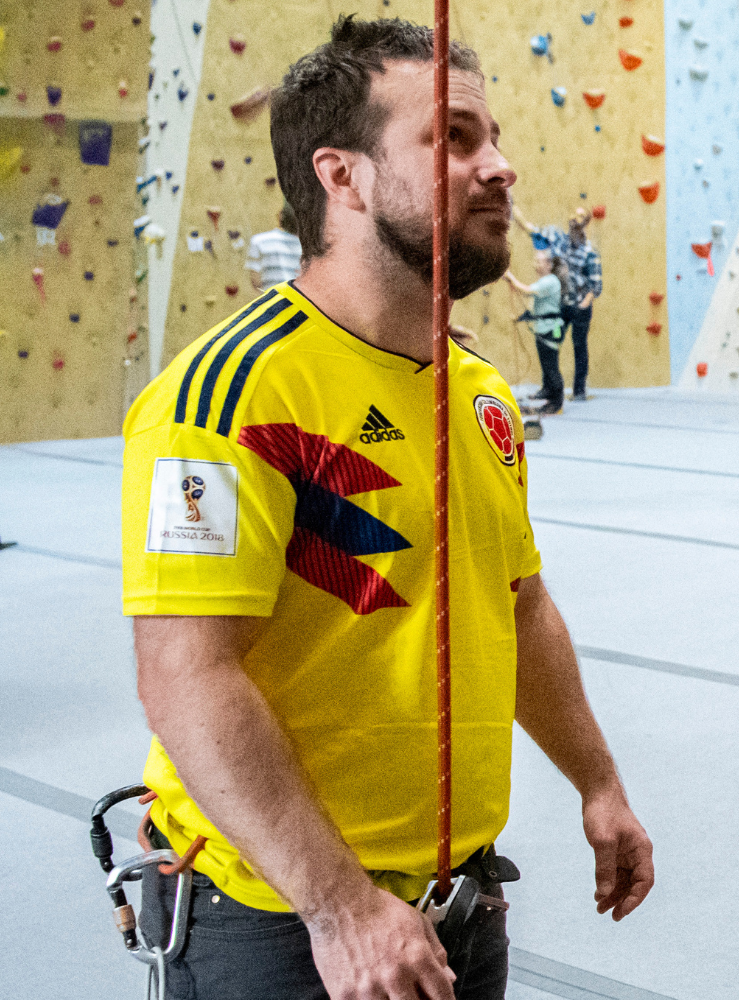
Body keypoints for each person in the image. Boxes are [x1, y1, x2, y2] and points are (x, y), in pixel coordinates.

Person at [121, 18, 654, 998]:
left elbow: (519, 603)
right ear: (343, 176)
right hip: (285, 925)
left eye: (492, 137)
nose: (500, 167)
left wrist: (598, 781)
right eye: (452, 138)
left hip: (461, 900)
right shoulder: (232, 398)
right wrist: (339, 906)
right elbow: (186, 674)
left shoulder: (483, 395)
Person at [516, 205, 602, 402]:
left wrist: (583, 304)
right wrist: (516, 212)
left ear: (586, 222)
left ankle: (579, 390)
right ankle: (548, 387)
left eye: (581, 216)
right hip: (561, 307)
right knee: (551, 343)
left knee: (579, 346)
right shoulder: (559, 242)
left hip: (580, 309)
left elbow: (595, 284)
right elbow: (532, 230)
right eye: (574, 214)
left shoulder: (589, 252)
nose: (575, 218)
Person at [504, 249, 567, 414]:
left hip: (551, 329)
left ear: (548, 264)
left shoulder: (550, 281)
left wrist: (511, 278)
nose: (535, 265)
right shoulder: (544, 281)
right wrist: (521, 317)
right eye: (535, 261)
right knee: (546, 363)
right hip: (543, 328)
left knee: (551, 365)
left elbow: (527, 291)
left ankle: (556, 399)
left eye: (538, 261)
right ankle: (547, 389)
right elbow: (536, 306)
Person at [246, 204, 304, 290]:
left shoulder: (259, 241)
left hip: (273, 300)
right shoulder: (311, 248)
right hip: (300, 301)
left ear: (280, 216)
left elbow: (255, 280)